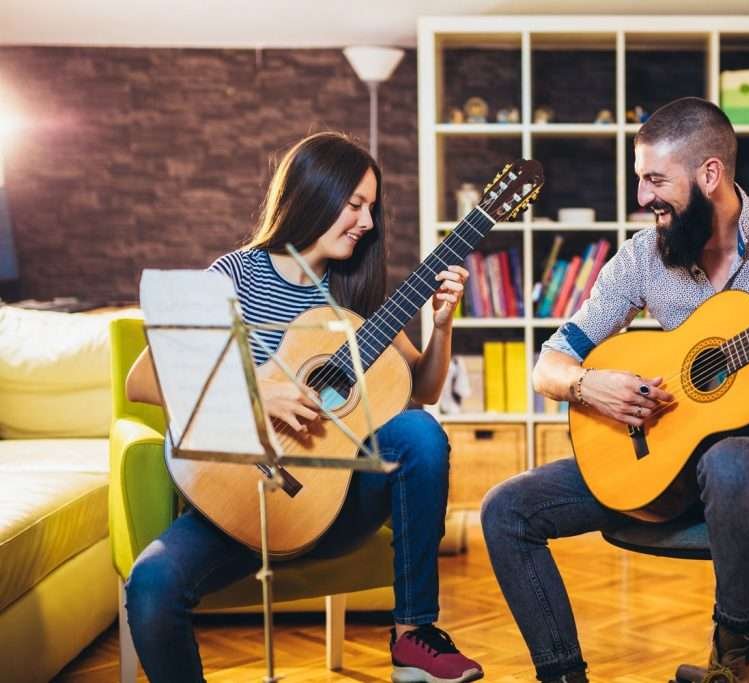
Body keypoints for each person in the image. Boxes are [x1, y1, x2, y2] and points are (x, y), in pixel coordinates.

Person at [480, 98, 749, 683]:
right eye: (639, 179)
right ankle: (562, 675)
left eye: (655, 180)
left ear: (710, 175)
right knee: (506, 509)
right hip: (666, 458)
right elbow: (548, 365)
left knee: (730, 461)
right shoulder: (644, 256)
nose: (641, 197)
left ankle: (733, 659)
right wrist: (588, 384)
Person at [124, 131, 483, 683]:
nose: (367, 221)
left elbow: (425, 389)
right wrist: (255, 392)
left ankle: (413, 634)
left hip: (336, 505)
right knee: (150, 586)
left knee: (417, 431)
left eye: (372, 208)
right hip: (239, 506)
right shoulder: (235, 275)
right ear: (314, 192)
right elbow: (143, 379)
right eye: (355, 204)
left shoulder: (354, 293)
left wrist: (441, 325)